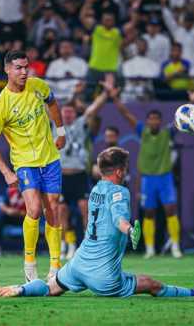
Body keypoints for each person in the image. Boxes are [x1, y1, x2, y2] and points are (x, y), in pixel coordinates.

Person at [0, 147, 194, 300]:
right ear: (120, 172)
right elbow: (119, 219)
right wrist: (130, 229)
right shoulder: (120, 192)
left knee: (50, 288)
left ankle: (20, 289)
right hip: (103, 276)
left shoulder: (97, 189)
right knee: (152, 285)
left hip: (78, 264)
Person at [0, 50, 66, 281]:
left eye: (26, 67)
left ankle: (55, 267)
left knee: (53, 208)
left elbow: (53, 102)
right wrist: (6, 171)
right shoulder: (1, 105)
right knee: (34, 209)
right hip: (25, 163)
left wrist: (60, 131)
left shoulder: (38, 85)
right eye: (18, 68)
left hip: (50, 158)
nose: (23, 72)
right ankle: (29, 263)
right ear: (7, 70)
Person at [108, 88, 194, 259]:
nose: (154, 122)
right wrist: (114, 98)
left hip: (165, 177)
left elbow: (184, 118)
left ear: (160, 121)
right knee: (148, 213)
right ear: (147, 121)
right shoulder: (142, 130)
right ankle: (150, 249)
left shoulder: (168, 132)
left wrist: (192, 102)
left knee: (170, 211)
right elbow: (125, 113)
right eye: (151, 119)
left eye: (156, 119)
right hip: (148, 179)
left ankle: (175, 247)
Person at [59, 76, 115, 259]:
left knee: (85, 209)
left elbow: (93, 110)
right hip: (61, 176)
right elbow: (42, 105)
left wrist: (106, 93)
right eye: (64, 112)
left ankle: (86, 245)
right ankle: (67, 245)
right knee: (62, 212)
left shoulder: (80, 124)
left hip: (79, 175)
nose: (67, 115)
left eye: (70, 112)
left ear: (74, 114)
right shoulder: (54, 125)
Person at [0, 185, 26, 256]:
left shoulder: (29, 192)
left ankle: (27, 249)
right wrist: (8, 210)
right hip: (12, 216)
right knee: (0, 217)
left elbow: (35, 211)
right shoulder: (10, 191)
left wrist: (19, 212)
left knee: (30, 222)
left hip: (24, 217)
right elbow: (1, 204)